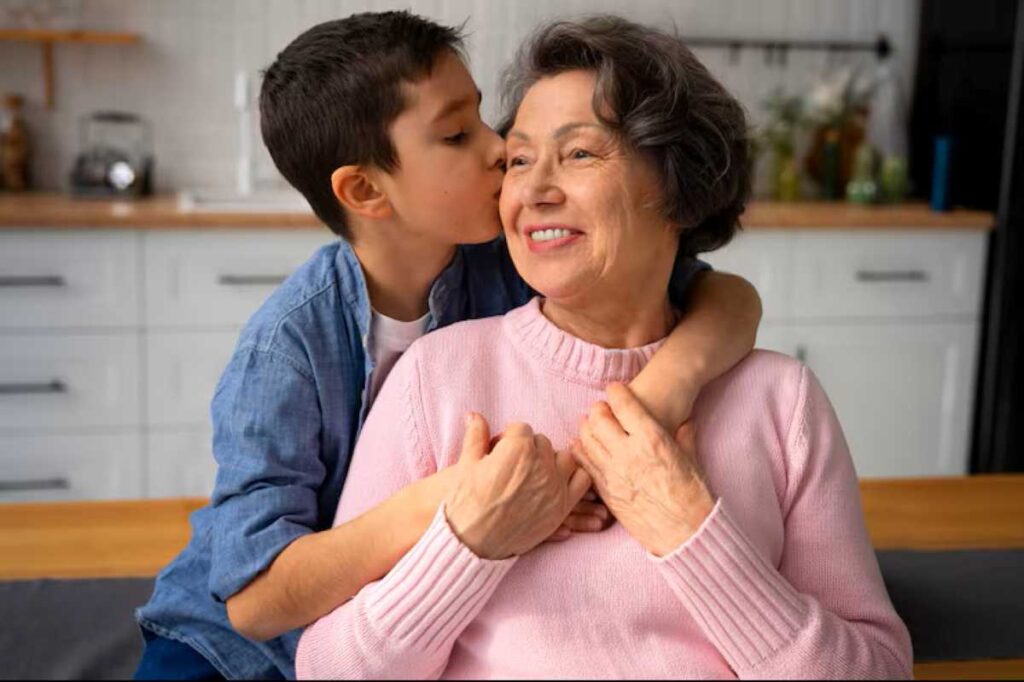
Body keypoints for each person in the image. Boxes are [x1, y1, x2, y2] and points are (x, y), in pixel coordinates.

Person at [133, 12, 764, 680]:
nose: (499, 149)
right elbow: (256, 603)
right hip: (228, 651)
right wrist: (457, 500)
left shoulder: (512, 263)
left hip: (404, 622)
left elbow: (726, 297)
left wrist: (657, 397)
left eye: (485, 121)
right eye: (458, 135)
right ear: (367, 190)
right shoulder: (288, 344)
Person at [295, 16, 913, 680]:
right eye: (521, 159)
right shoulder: (436, 376)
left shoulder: (780, 400)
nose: (532, 191)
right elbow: (326, 669)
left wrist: (689, 532)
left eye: (580, 153)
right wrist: (468, 547)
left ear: (679, 185)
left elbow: (878, 670)